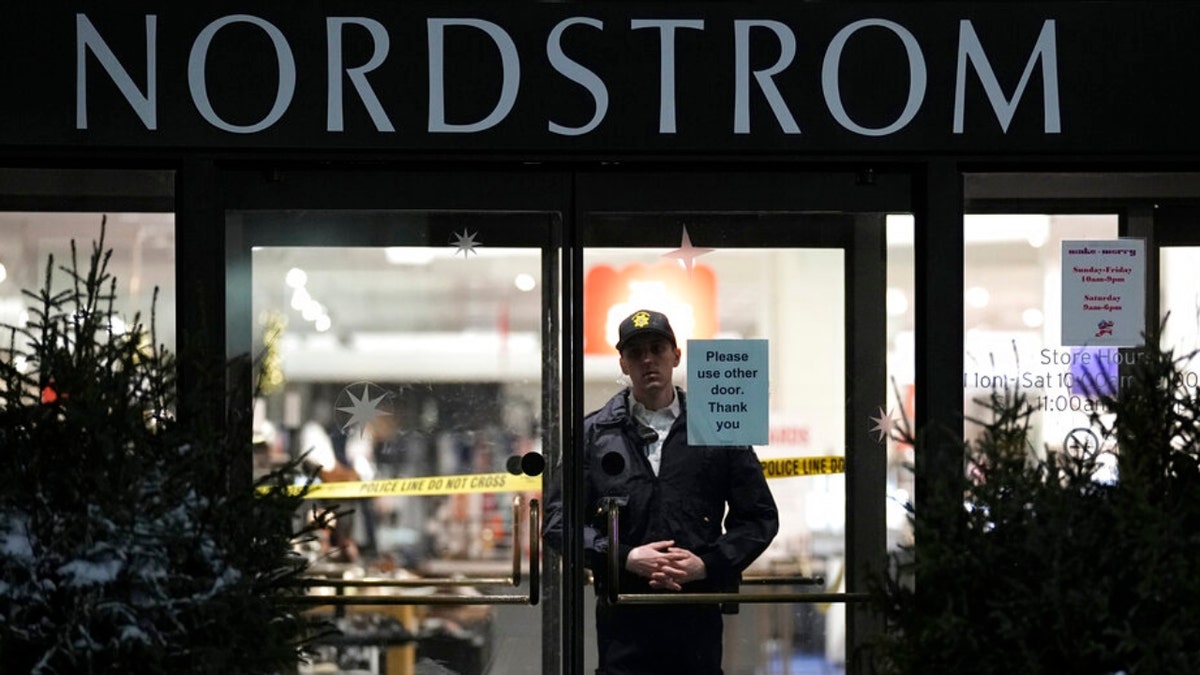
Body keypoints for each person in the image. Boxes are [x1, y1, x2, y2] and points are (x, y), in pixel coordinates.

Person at [544, 309, 779, 675]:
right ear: (623, 364)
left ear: (676, 356)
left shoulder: (717, 426)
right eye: (636, 353)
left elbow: (759, 517)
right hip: (624, 619)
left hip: (696, 615)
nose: (648, 360)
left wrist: (708, 564)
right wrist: (624, 557)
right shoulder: (593, 434)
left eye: (657, 348)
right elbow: (559, 523)